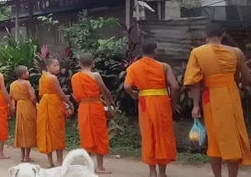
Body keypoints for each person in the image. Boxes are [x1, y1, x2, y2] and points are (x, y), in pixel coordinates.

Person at [184, 23, 251, 177]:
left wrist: (195, 105)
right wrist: (239, 85)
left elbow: (194, 82)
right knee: (231, 137)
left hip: (211, 98)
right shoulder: (236, 52)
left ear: (204, 36)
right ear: (223, 35)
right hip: (231, 96)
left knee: (214, 139)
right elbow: (247, 78)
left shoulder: (197, 52)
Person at [124, 42, 179, 177]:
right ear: (155, 51)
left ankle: (152, 171)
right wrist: (173, 104)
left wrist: (133, 94)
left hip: (144, 103)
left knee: (148, 134)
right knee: (163, 135)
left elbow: (127, 86)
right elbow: (175, 87)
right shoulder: (164, 66)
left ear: (141, 52)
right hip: (162, 103)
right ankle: (162, 172)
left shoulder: (134, 67)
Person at [72, 53, 114, 174]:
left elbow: (77, 96)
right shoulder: (95, 75)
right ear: (93, 63)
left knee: (86, 135)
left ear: (79, 64)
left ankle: (87, 166)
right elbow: (105, 91)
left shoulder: (75, 77)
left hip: (84, 107)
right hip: (96, 107)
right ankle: (99, 167)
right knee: (100, 134)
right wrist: (110, 105)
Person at [37, 58, 74, 167]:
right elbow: (61, 94)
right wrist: (70, 103)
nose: (58, 67)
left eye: (58, 65)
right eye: (55, 65)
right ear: (48, 67)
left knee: (46, 131)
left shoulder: (41, 78)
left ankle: (49, 161)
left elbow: (41, 93)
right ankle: (59, 161)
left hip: (44, 104)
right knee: (57, 131)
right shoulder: (53, 78)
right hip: (54, 104)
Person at [10, 65, 37, 163]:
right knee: (28, 131)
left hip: (19, 107)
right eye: (27, 72)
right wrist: (35, 105)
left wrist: (13, 107)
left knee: (21, 130)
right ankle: (27, 156)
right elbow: (33, 97)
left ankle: (22, 156)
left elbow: (11, 97)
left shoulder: (12, 84)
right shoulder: (27, 83)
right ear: (23, 74)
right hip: (28, 105)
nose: (28, 73)